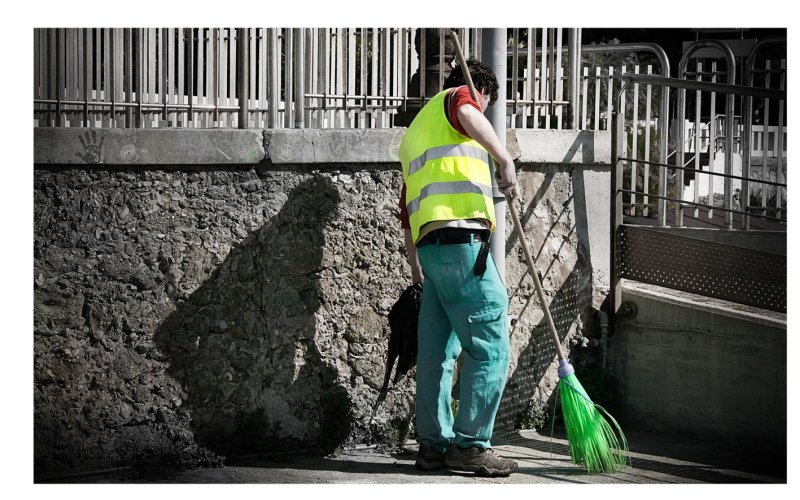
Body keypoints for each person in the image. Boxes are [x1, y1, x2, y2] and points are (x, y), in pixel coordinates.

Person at [397, 58, 519, 477]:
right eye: (487, 105)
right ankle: (470, 446)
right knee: (490, 345)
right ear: (483, 93)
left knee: (436, 354)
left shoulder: (415, 134)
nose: (482, 114)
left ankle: (432, 447)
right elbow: (468, 110)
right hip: (462, 245)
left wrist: (418, 271)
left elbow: (406, 209)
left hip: (431, 253)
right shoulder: (458, 99)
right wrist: (505, 160)